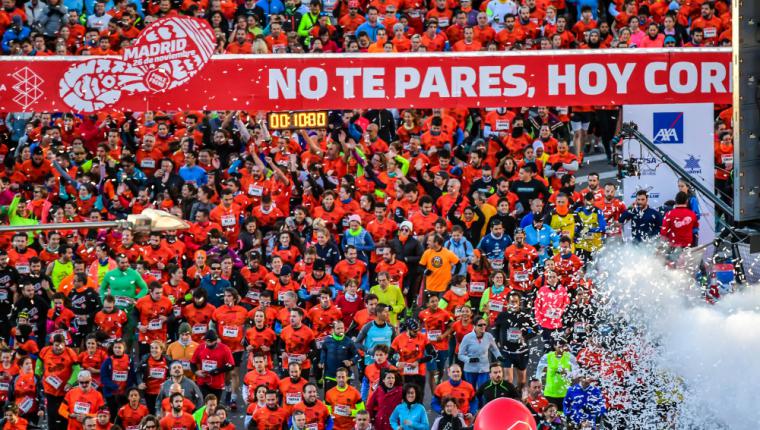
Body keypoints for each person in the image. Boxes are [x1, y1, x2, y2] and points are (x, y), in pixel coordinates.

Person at [457, 316, 502, 389]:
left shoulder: (488, 336)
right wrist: (469, 359)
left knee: (483, 389)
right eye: (480, 325)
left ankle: (482, 401)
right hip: (470, 369)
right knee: (471, 391)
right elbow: (460, 355)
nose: (483, 326)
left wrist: (499, 356)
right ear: (474, 326)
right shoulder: (467, 337)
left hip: (484, 369)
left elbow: (494, 349)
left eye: (484, 324)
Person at [535, 339, 578, 411]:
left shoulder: (570, 357)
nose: (562, 348)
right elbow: (538, 373)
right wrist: (539, 389)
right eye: (559, 345)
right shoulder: (547, 357)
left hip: (565, 394)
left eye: (563, 346)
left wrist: (568, 373)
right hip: (550, 393)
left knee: (563, 418)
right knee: (550, 416)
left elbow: (577, 374)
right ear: (554, 346)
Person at [190, 330, 234, 399]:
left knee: (214, 405)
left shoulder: (225, 349)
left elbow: (231, 365)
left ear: (216, 341)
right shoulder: (200, 347)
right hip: (203, 381)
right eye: (206, 341)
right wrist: (196, 372)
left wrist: (217, 371)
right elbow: (192, 363)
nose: (208, 344)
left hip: (217, 383)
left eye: (210, 342)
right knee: (205, 403)